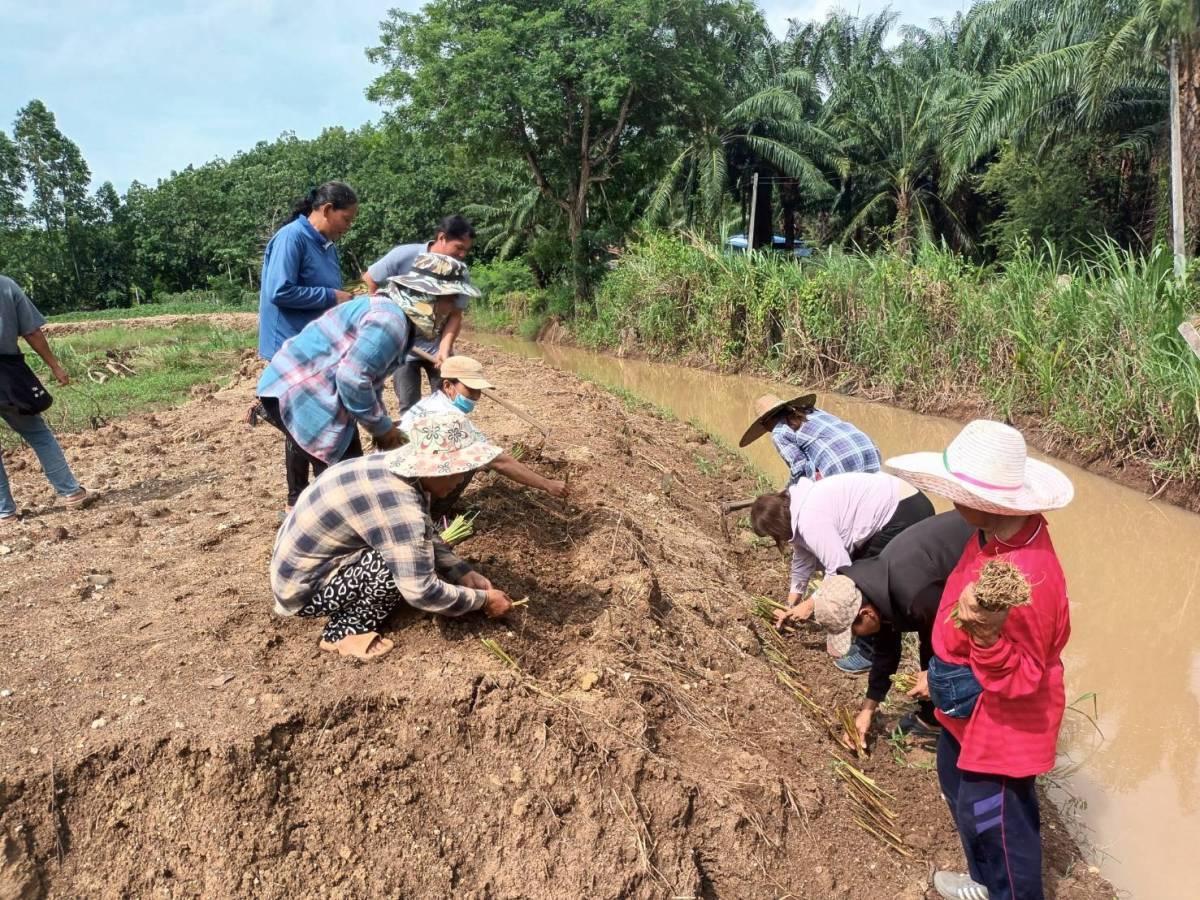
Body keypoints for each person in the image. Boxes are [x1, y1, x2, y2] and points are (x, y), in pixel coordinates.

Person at [886, 419, 1074, 900]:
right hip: (964, 701)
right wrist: (940, 671)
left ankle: (1009, 892)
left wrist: (988, 641)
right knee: (959, 792)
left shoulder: (1032, 577)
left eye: (958, 491)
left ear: (990, 502)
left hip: (1003, 722)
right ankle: (983, 882)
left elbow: (1025, 677)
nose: (951, 499)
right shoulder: (990, 537)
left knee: (1000, 826)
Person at [270, 412, 514, 660]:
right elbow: (421, 591)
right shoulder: (401, 505)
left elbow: (422, 531)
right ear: (432, 469)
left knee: (407, 551)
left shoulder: (389, 467)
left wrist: (460, 570)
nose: (461, 479)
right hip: (303, 589)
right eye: (457, 471)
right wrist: (482, 601)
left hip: (298, 570)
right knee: (390, 566)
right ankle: (342, 633)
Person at [256, 252, 472, 508]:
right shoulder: (390, 322)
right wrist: (382, 428)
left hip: (292, 385)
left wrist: (381, 423)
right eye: (449, 300)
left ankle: (311, 514)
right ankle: (330, 533)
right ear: (429, 297)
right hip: (304, 392)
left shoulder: (386, 310)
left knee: (344, 474)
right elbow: (352, 379)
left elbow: (364, 377)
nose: (450, 309)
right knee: (349, 488)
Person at [809, 511, 976, 750]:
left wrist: (935, 677)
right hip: (947, 562)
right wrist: (867, 711)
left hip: (986, 546)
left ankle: (958, 723)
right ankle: (935, 716)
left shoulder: (913, 595)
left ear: (865, 614)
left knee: (948, 655)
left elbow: (949, 638)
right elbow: (886, 651)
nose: (857, 637)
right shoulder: (876, 588)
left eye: (853, 632)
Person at [750, 470, 934, 673]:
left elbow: (840, 569)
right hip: (899, 503)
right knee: (863, 573)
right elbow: (802, 560)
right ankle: (866, 639)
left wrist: (810, 604)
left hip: (902, 512)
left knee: (870, 582)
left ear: (777, 526)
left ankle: (869, 653)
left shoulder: (810, 519)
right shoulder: (796, 509)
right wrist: (790, 604)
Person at [254, 181, 359, 503]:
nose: (348, 227)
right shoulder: (292, 238)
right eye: (346, 219)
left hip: (313, 346)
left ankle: (299, 497)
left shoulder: (326, 246)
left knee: (301, 422)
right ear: (327, 210)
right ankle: (316, 494)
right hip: (290, 346)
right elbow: (280, 291)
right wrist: (332, 296)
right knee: (309, 420)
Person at [398, 355, 568, 517]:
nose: (476, 397)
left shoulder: (427, 403)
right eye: (470, 389)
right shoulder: (450, 417)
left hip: (398, 475)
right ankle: (431, 516)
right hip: (407, 488)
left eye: (478, 390)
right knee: (468, 464)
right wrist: (547, 484)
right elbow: (500, 462)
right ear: (448, 386)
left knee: (470, 459)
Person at [360, 215, 477, 413]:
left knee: (447, 403)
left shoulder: (460, 272)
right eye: (458, 247)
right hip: (403, 349)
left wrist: (444, 347)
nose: (462, 254)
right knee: (409, 405)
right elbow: (369, 278)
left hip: (435, 347)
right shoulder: (404, 255)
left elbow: (455, 315)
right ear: (442, 238)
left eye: (466, 250)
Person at [0, 275, 89, 521]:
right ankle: (70, 491)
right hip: (7, 375)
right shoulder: (5, 285)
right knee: (37, 433)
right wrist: (55, 366)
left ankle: (4, 511)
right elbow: (31, 331)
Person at [739, 392, 881, 484]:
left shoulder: (779, 431)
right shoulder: (812, 411)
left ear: (766, 421)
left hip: (839, 463)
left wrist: (790, 491)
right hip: (869, 450)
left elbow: (800, 469)